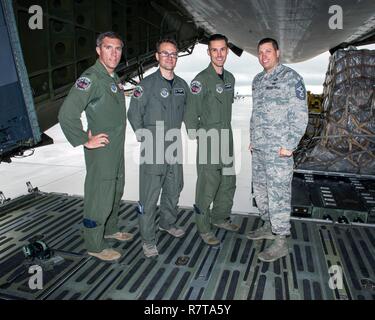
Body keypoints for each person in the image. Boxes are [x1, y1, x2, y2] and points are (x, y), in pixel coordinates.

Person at [58, 31, 133, 262]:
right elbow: (67, 114)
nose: (114, 53)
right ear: (98, 50)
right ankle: (94, 244)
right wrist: (84, 140)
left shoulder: (112, 78)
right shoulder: (91, 78)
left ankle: (109, 230)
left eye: (118, 48)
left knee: (115, 189)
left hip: (115, 149)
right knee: (99, 194)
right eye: (109, 48)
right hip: (100, 151)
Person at [248, 38, 308, 262]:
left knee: (279, 196)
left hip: (279, 152)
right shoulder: (257, 80)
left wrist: (290, 145)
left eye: (268, 51)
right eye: (260, 52)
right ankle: (268, 225)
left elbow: (301, 115)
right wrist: (253, 139)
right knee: (261, 191)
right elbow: (256, 113)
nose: (264, 56)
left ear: (277, 53)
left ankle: (281, 239)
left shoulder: (291, 78)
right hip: (260, 150)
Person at [128, 39, 188, 258]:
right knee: (150, 195)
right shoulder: (146, 86)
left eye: (173, 54)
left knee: (174, 187)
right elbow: (133, 114)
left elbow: (187, 113)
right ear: (157, 56)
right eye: (165, 54)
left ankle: (167, 223)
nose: (170, 58)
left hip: (174, 144)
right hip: (153, 147)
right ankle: (148, 240)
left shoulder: (182, 85)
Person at [184, 34, 239, 246]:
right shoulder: (200, 80)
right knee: (207, 184)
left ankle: (220, 217)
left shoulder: (231, 79)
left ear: (226, 51)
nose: (219, 54)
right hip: (209, 139)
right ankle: (203, 227)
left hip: (227, 137)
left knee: (227, 181)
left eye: (222, 49)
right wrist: (200, 136)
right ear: (208, 53)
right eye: (214, 50)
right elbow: (190, 114)